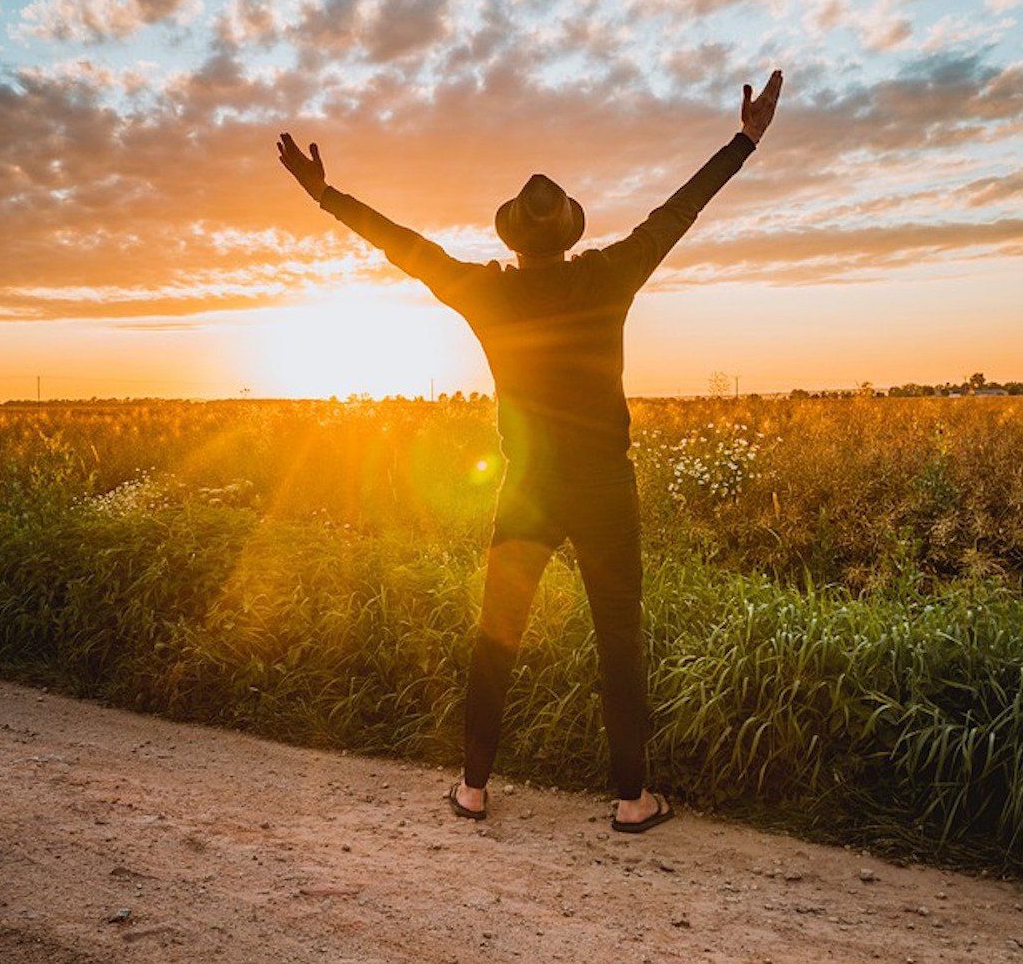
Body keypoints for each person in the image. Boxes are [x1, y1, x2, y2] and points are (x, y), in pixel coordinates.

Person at [277, 70, 783, 832]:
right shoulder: (611, 274)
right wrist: (742, 141)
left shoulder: (488, 293)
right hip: (605, 485)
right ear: (569, 232)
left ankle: (474, 788)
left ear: (512, 238)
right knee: (619, 636)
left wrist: (325, 195)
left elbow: (404, 247)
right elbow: (678, 211)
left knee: (497, 633)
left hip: (528, 485)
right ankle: (631, 799)